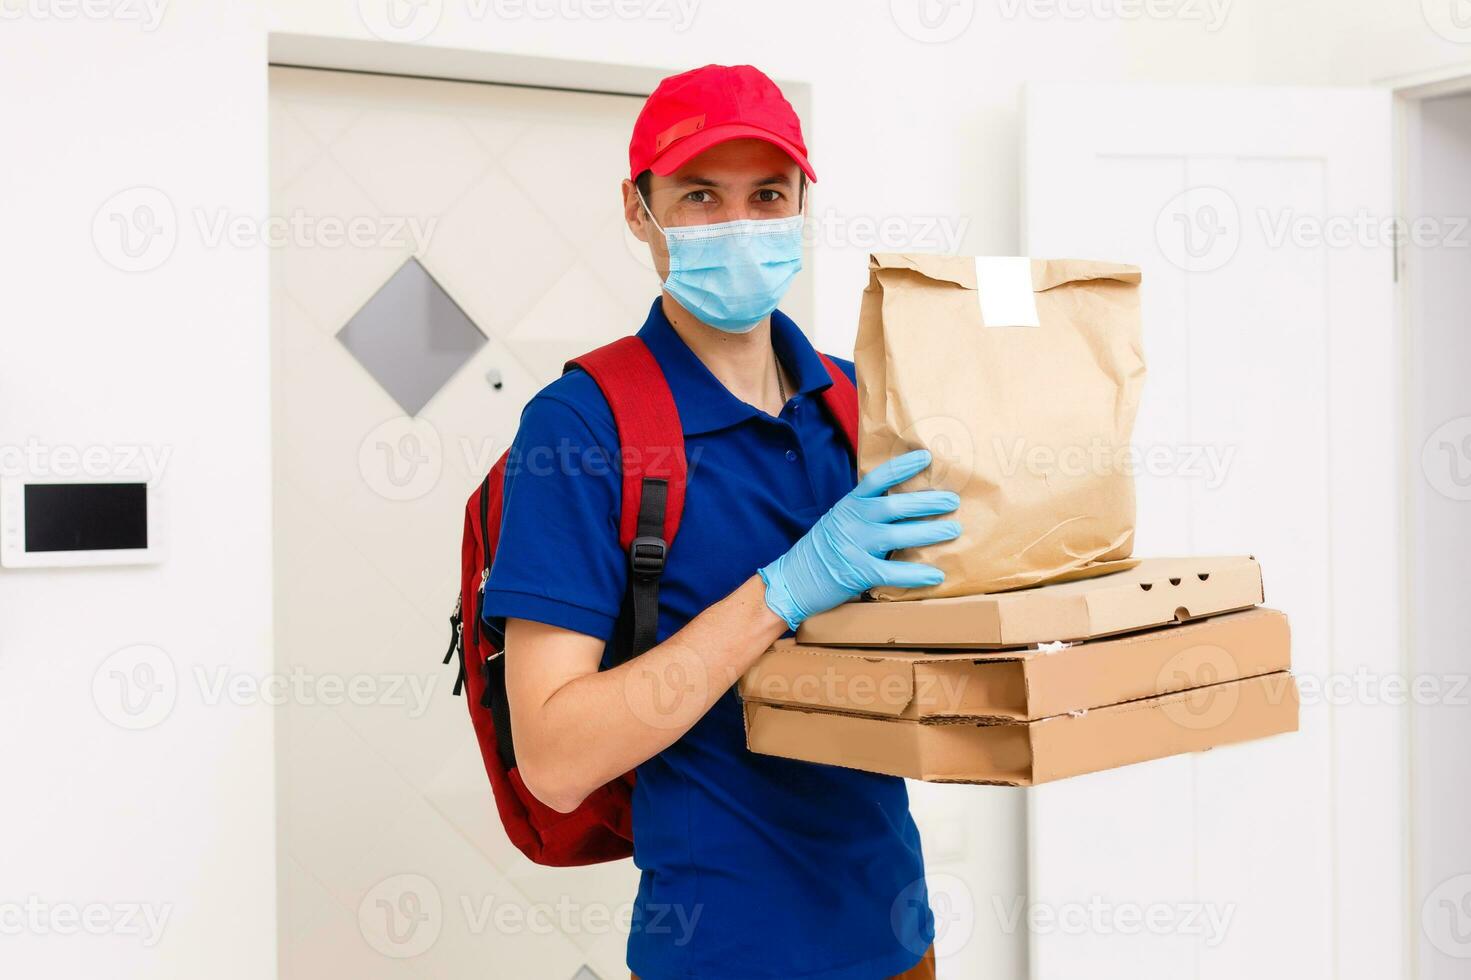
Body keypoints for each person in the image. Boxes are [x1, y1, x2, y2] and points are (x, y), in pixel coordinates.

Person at [482, 63, 962, 980]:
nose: (741, 225)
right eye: (701, 195)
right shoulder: (585, 426)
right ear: (638, 209)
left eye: (767, 194)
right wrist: (783, 589)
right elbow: (553, 757)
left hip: (901, 940)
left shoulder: (856, 402)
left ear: (802, 205)